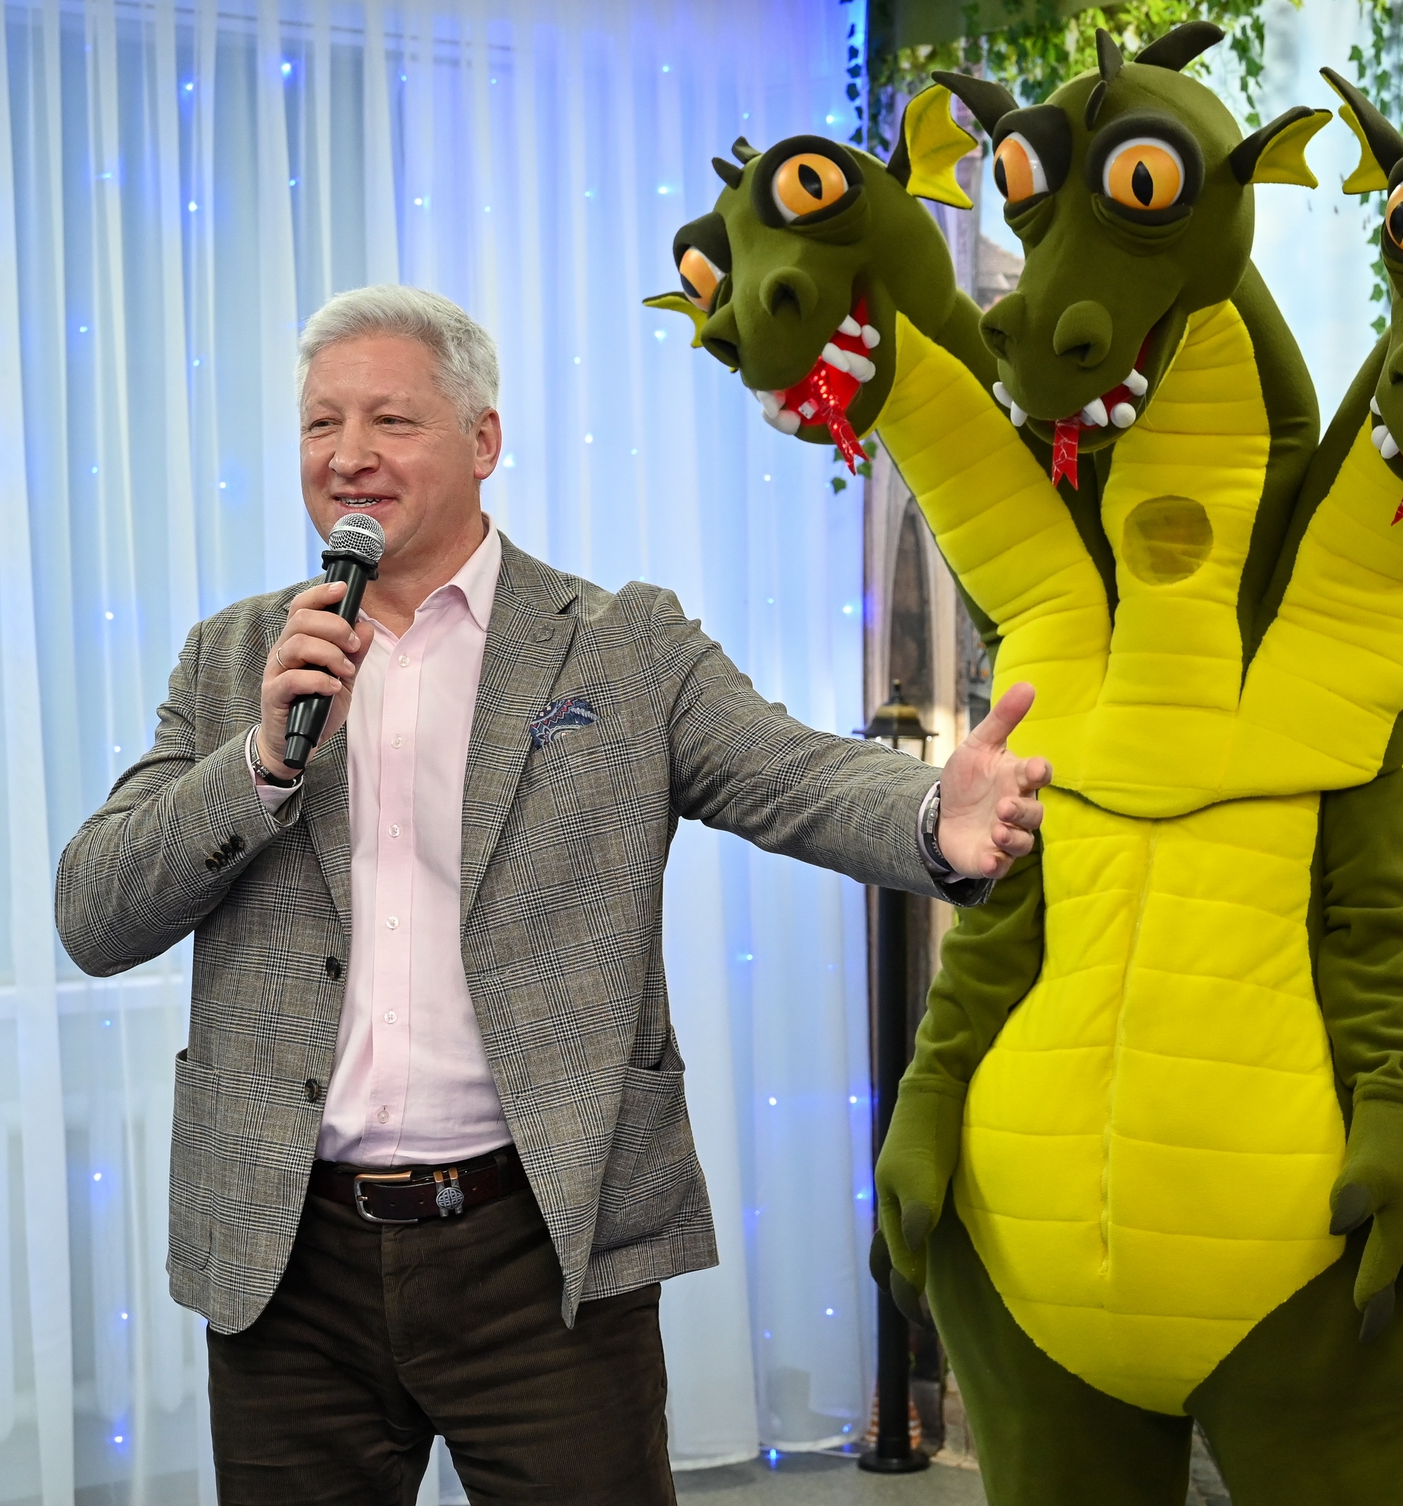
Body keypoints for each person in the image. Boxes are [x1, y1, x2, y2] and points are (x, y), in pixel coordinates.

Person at [54, 285, 1051, 1505]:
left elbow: (791, 773)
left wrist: (932, 815)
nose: (348, 454)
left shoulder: (619, 645)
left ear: (483, 439)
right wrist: (260, 761)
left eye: (389, 420)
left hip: (544, 1247)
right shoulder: (237, 656)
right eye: (320, 423)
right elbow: (95, 911)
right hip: (287, 1255)